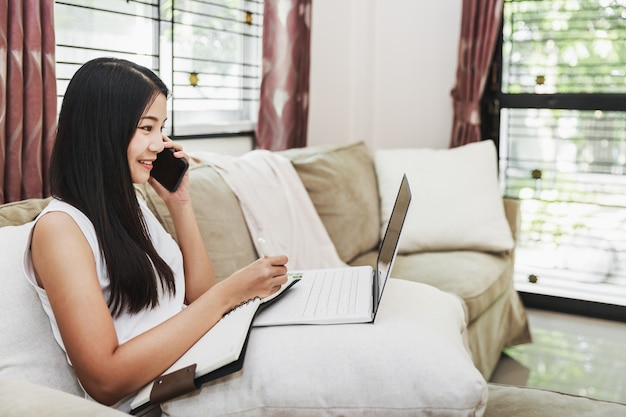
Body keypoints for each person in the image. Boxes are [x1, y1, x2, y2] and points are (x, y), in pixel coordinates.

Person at [23, 57, 289, 411]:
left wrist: (181, 204)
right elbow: (105, 379)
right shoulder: (60, 229)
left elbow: (199, 297)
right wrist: (228, 295)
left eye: (161, 128)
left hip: (199, 360)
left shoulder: (129, 204)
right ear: (103, 129)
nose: (160, 144)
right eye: (146, 128)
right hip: (157, 398)